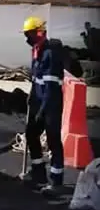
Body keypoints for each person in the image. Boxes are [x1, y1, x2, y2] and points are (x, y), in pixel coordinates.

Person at [21, 16, 65, 194]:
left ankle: (56, 180)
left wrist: (43, 109)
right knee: (31, 134)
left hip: (51, 104)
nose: (27, 39)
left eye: (29, 34)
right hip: (38, 102)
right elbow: (36, 79)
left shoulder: (50, 53)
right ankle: (38, 173)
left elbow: (51, 86)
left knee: (53, 139)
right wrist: (32, 97)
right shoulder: (37, 51)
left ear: (38, 33)